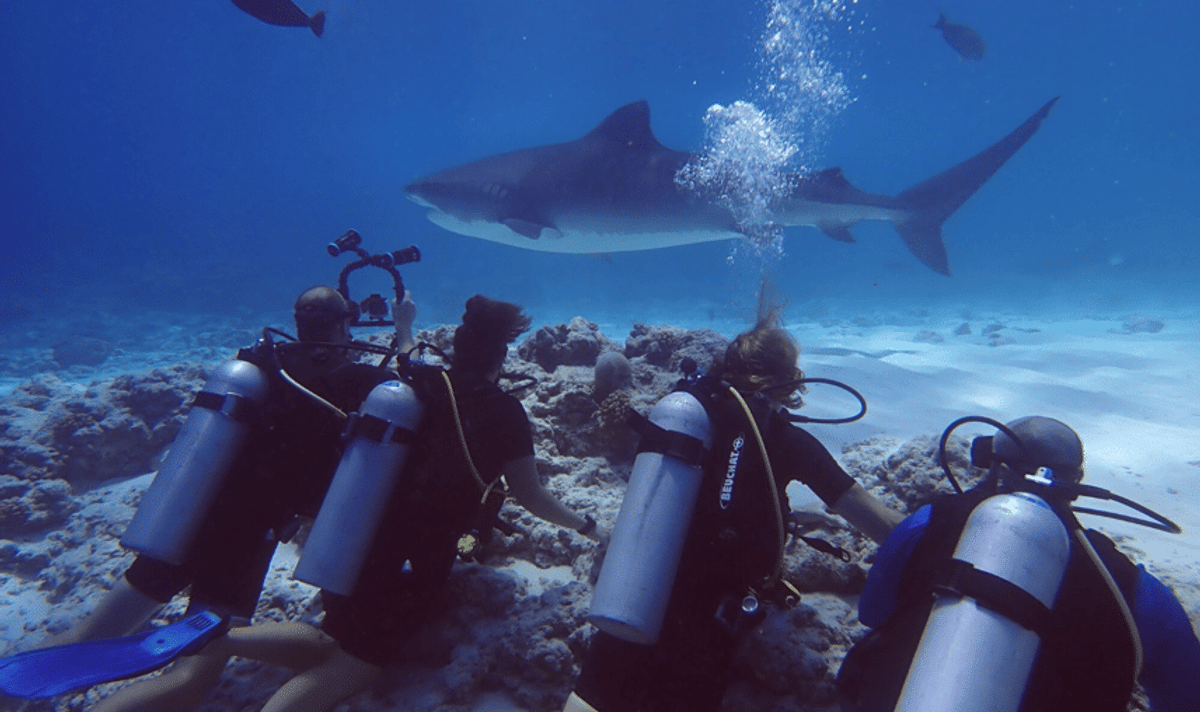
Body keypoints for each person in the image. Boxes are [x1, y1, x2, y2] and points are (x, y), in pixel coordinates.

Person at [138, 294, 600, 712]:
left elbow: (405, 355)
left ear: (456, 349)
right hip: (414, 558)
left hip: (355, 539)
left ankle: (220, 639)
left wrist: (405, 324)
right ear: (501, 356)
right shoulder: (505, 412)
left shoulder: (417, 382)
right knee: (360, 662)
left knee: (334, 636)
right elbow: (530, 495)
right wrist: (586, 527)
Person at [68, 286, 399, 711]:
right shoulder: (355, 380)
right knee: (192, 677)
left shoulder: (260, 363)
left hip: (186, 513)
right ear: (343, 324)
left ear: (296, 321)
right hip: (241, 539)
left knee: (90, 636)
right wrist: (404, 331)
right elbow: (414, 387)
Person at [565, 304, 904, 712]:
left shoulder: (683, 417)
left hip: (636, 591)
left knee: (593, 698)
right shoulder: (787, 441)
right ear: (791, 382)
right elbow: (885, 528)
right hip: (708, 622)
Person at [837, 416, 1200, 712]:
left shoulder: (923, 527)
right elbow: (1187, 695)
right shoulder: (1135, 592)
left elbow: (873, 612)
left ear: (991, 465)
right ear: (1076, 482)